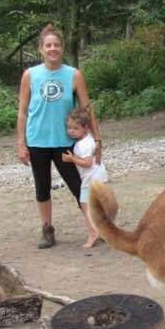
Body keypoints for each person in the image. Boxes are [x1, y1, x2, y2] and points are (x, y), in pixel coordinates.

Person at [16, 24, 101, 249]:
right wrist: (21, 143)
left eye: (56, 45)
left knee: (78, 186)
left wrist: (97, 139)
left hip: (65, 141)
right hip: (37, 141)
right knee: (42, 187)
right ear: (41, 49)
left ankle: (95, 229)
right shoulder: (30, 75)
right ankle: (47, 229)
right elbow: (23, 111)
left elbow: (87, 108)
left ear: (62, 48)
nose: (52, 49)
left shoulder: (74, 75)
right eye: (48, 45)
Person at [61, 107, 109, 248]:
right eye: (69, 128)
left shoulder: (84, 144)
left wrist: (72, 159)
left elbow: (87, 163)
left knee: (86, 206)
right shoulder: (88, 141)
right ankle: (104, 231)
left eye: (75, 128)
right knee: (98, 206)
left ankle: (93, 233)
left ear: (85, 128)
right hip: (98, 177)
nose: (71, 131)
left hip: (91, 179)